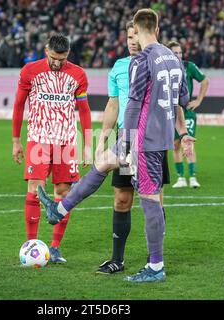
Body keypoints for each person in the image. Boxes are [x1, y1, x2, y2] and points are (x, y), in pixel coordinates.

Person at [38, 9, 194, 283]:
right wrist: (183, 132)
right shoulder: (174, 58)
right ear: (156, 27)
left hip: (143, 140)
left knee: (149, 200)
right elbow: (184, 98)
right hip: (155, 136)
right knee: (103, 163)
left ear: (136, 27)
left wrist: (130, 145)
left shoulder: (141, 61)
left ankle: (155, 267)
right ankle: (59, 210)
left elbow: (132, 104)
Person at [94, 21, 171, 275]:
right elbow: (113, 106)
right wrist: (101, 140)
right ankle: (117, 259)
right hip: (126, 139)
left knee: (155, 199)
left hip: (152, 138)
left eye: (136, 35)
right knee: (122, 198)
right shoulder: (118, 67)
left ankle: (154, 259)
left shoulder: (157, 60)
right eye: (128, 36)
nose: (132, 40)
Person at [12, 34, 92, 263]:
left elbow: (84, 111)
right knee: (35, 190)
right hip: (38, 138)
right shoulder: (30, 71)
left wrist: (88, 145)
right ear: (47, 50)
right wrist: (16, 140)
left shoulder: (78, 75)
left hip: (66, 141)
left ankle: (55, 248)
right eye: (54, 58)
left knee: (64, 194)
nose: (57, 63)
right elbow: (19, 105)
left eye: (62, 59)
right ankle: (31, 244)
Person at [167, 41, 209, 189]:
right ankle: (180, 178)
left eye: (180, 52)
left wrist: (198, 100)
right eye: (175, 53)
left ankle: (192, 177)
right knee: (175, 144)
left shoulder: (188, 66)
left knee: (188, 143)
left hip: (187, 111)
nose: (178, 55)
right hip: (171, 112)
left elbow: (204, 81)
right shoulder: (164, 67)